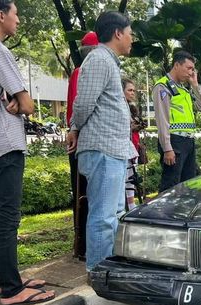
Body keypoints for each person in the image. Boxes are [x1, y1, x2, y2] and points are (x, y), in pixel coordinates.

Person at [0, 0, 55, 305]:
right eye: (16, 14)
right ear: (1, 15)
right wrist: (19, 102)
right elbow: (28, 104)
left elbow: (3, 96)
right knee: (7, 216)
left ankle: (5, 279)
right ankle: (11, 288)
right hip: (5, 140)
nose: (18, 20)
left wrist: (13, 99)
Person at [66, 11, 136, 272]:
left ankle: (108, 269)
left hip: (112, 151)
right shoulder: (98, 60)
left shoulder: (108, 61)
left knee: (114, 214)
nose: (132, 39)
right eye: (130, 34)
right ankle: (97, 273)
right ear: (117, 33)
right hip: (103, 150)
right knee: (104, 217)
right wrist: (75, 127)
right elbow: (82, 104)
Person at [152, 51, 201, 192]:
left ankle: (181, 213)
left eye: (193, 69)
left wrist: (195, 85)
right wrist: (167, 148)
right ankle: (164, 214)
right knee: (170, 185)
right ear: (177, 65)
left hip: (188, 141)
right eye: (189, 68)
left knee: (189, 184)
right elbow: (162, 119)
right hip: (174, 142)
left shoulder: (183, 90)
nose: (191, 72)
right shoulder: (163, 87)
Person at [66, 31, 99, 261]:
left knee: (87, 194)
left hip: (83, 140)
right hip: (83, 141)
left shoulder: (82, 71)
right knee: (84, 195)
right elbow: (81, 107)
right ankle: (83, 244)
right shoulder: (83, 71)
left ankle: (85, 243)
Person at [122, 78, 145, 210]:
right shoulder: (119, 107)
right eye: (129, 90)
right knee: (124, 178)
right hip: (123, 148)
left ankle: (131, 204)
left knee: (131, 177)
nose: (132, 93)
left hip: (133, 147)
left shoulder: (131, 109)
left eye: (133, 91)